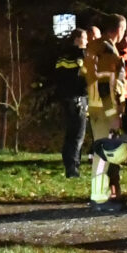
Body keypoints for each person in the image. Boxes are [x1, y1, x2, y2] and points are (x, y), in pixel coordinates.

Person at [48, 25, 91, 178]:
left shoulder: (62, 56)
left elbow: (58, 77)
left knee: (70, 134)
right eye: (86, 38)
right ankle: (73, 169)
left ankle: (70, 166)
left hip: (66, 99)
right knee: (78, 135)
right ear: (78, 40)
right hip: (78, 99)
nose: (87, 41)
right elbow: (85, 78)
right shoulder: (80, 56)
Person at [83, 20, 126, 148]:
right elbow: (105, 83)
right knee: (105, 153)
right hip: (105, 108)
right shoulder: (107, 49)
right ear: (119, 29)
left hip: (95, 105)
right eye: (124, 30)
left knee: (106, 151)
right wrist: (113, 114)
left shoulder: (94, 47)